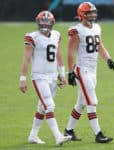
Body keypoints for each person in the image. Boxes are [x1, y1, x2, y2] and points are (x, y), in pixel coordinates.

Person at [64, 2, 114, 143]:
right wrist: (70, 72)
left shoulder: (97, 28)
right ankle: (98, 134)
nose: (93, 15)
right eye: (89, 12)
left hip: (93, 70)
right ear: (82, 14)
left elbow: (100, 46)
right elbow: (70, 54)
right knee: (92, 102)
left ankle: (68, 131)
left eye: (93, 12)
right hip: (82, 70)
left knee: (81, 103)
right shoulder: (77, 30)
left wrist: (108, 58)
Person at [19, 10, 71, 146]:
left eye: (47, 22)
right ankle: (58, 137)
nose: (45, 24)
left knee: (42, 107)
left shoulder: (56, 35)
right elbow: (26, 58)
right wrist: (22, 79)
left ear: (52, 23)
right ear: (38, 22)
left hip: (52, 77)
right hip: (39, 77)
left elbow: (59, 55)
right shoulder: (32, 37)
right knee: (49, 105)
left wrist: (62, 74)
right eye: (42, 22)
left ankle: (33, 135)